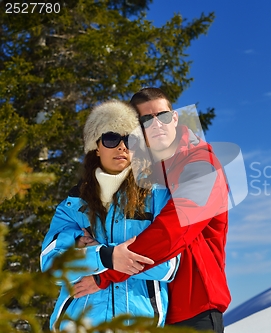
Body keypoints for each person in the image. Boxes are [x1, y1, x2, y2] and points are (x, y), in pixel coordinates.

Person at [81, 88, 230, 333]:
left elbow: (173, 230)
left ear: (174, 118)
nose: (157, 124)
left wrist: (105, 272)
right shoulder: (141, 171)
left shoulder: (201, 164)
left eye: (162, 115)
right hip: (149, 310)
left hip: (193, 308)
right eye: (146, 119)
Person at [40, 100, 180, 331]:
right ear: (97, 146)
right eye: (111, 138)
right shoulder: (74, 204)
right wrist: (106, 256)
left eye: (130, 140)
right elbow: (51, 266)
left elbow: (168, 266)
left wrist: (93, 254)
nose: (122, 147)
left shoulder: (157, 196)